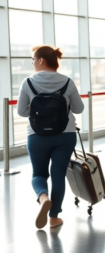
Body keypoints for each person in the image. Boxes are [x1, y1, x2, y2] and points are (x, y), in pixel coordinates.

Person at [18, 45, 84, 230]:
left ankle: (43, 197)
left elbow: (22, 111)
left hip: (37, 136)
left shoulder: (28, 82)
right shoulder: (68, 82)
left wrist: (40, 111)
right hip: (65, 134)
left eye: (33, 60)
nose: (32, 63)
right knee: (58, 175)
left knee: (38, 174)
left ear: (41, 60)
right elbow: (79, 108)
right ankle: (54, 218)